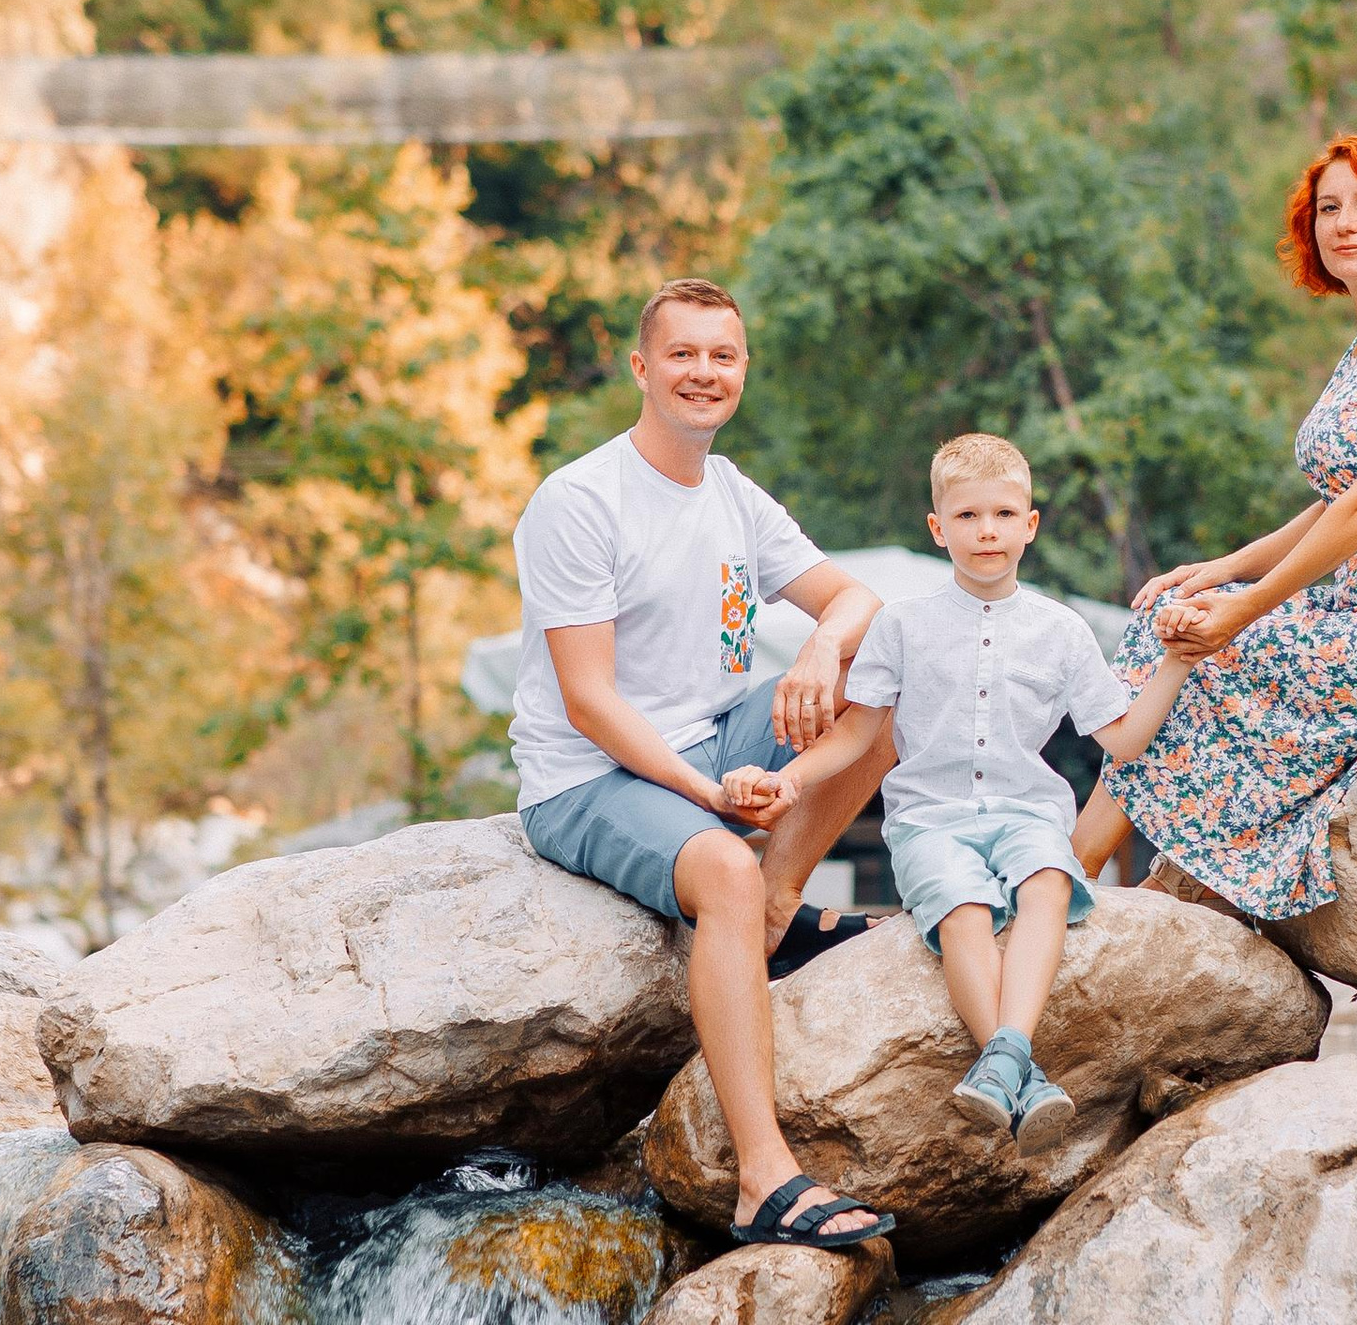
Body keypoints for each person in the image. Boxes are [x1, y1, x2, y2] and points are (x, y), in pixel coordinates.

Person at [511, 275, 897, 1250]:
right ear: (643, 368)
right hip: (588, 779)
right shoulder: (581, 501)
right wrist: (705, 794)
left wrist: (818, 648)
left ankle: (772, 913)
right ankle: (763, 1178)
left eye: (722, 355)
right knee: (719, 863)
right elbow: (589, 702)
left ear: (742, 371)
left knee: (889, 683)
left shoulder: (731, 496)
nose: (703, 372)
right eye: (682, 353)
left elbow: (857, 603)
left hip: (712, 743)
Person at [1074, 133, 1357, 918]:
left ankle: (1085, 867)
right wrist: (1218, 572)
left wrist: (1247, 606)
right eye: (1329, 209)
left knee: (1200, 646)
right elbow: (1333, 499)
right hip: (1350, 608)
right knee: (1170, 621)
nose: (1345, 222)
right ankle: (1147, 875)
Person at [723, 433, 1194, 1151]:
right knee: (964, 908)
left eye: (1005, 514)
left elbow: (1124, 741)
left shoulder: (1060, 631)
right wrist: (787, 779)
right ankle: (1022, 1072)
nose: (987, 531)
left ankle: (1003, 1057)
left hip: (1026, 812)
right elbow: (857, 738)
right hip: (929, 821)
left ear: (1029, 526)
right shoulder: (901, 627)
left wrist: (1176, 665)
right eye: (969, 517)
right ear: (939, 529)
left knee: (1047, 883)